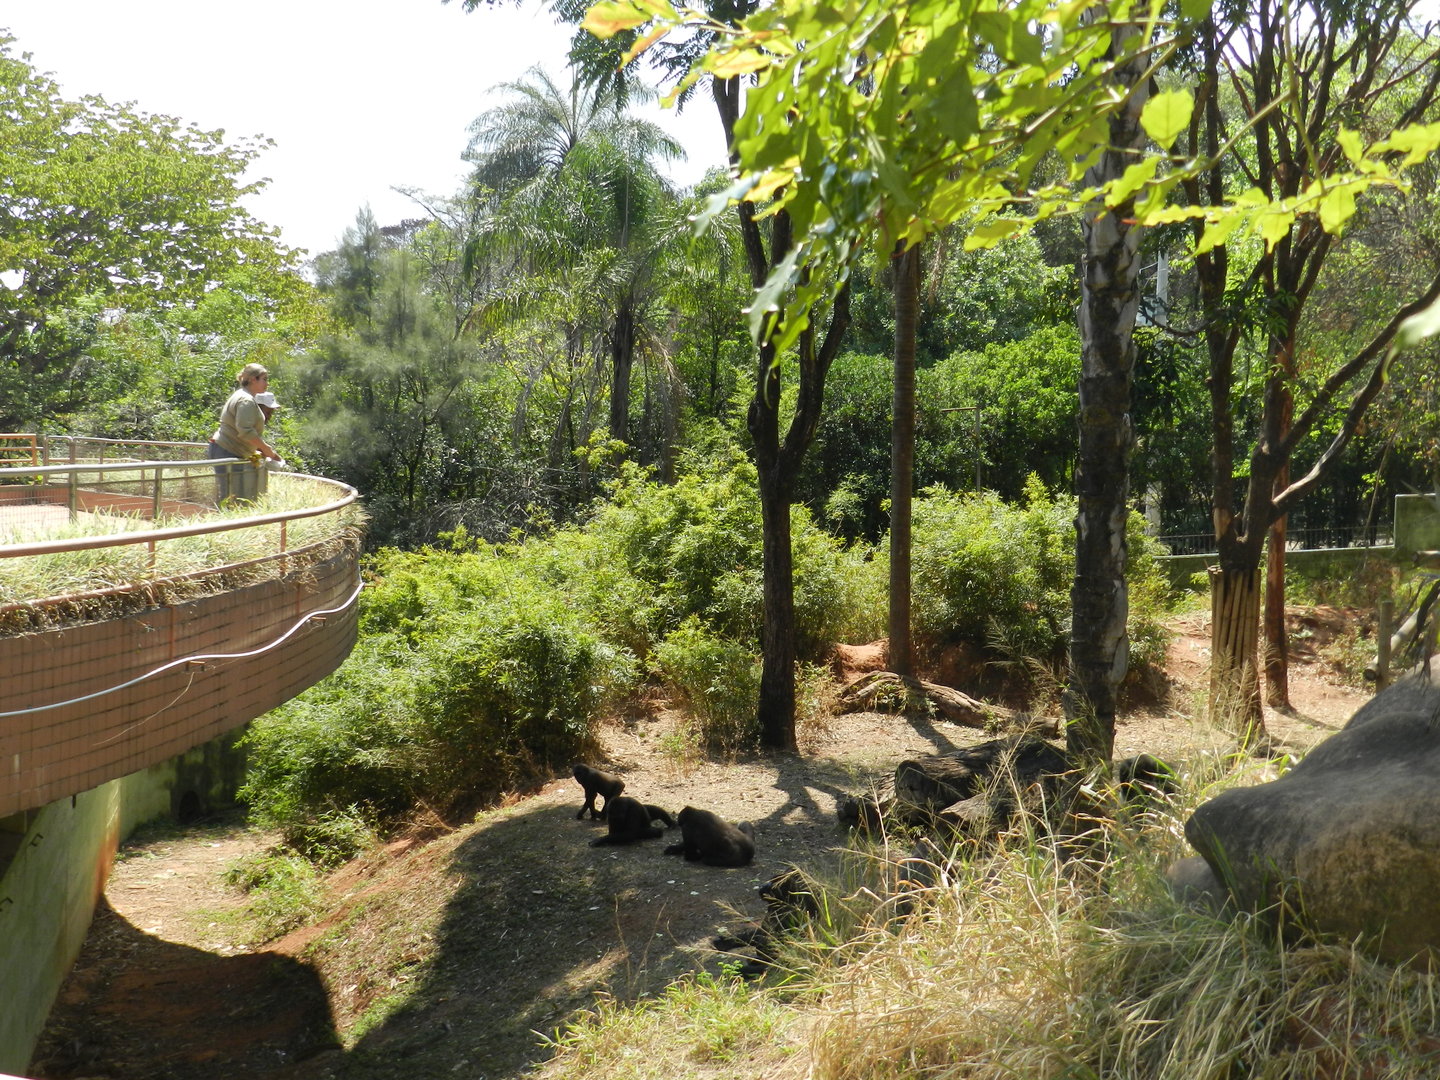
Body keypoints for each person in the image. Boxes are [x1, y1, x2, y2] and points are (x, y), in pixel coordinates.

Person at [208, 363, 281, 505]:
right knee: (229, 498)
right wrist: (267, 450)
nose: (267, 383)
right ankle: (225, 525)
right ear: (253, 379)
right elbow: (246, 432)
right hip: (227, 451)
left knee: (232, 497)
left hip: (228, 450)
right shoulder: (246, 400)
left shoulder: (243, 396)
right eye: (264, 379)